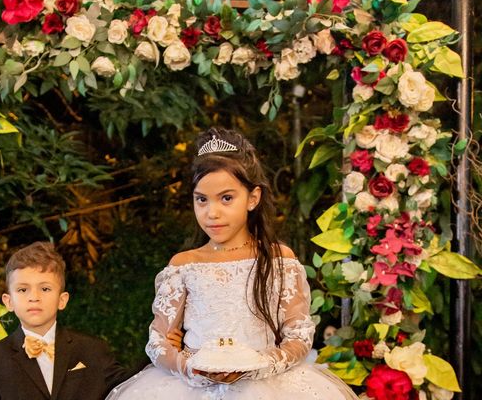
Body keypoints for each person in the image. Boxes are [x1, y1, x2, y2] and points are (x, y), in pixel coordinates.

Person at [107, 128, 358, 400]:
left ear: (253, 198)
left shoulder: (277, 260)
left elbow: (298, 335)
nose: (211, 213)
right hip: (190, 389)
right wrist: (189, 365)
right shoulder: (183, 265)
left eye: (226, 198)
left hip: (269, 386)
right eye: (201, 199)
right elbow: (158, 342)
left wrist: (260, 365)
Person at [0, 241, 128, 400]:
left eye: (45, 289)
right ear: (8, 302)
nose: (34, 297)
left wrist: (156, 353)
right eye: (23, 290)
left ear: (62, 300)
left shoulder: (93, 349)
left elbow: (131, 387)